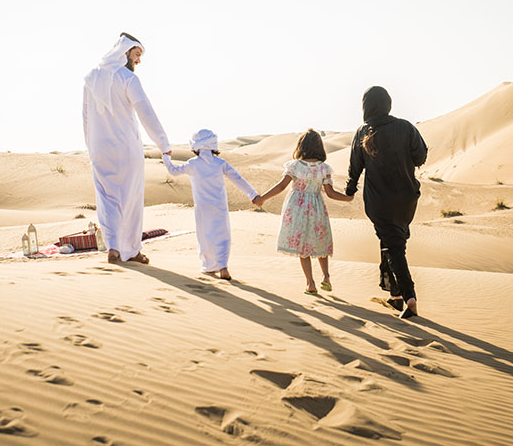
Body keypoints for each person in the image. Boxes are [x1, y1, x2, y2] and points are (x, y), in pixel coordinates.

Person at [83, 32, 171, 264]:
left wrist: (90, 146)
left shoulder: (91, 77)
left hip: (99, 148)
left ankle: (113, 247)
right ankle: (131, 251)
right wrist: (163, 144)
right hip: (126, 148)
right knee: (131, 198)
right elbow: (145, 111)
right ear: (125, 53)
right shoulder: (127, 78)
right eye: (137, 54)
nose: (138, 61)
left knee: (107, 198)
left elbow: (85, 117)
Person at [345, 86, 428, 318]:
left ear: (366, 106)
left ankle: (409, 297)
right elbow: (421, 156)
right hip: (406, 199)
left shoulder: (364, 131)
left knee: (394, 246)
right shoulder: (406, 127)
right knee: (391, 241)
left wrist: (349, 190)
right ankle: (396, 297)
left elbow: (355, 167)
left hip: (380, 200)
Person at [255, 129, 352, 295]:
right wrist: (348, 198)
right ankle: (326, 277)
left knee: (302, 245)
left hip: (297, 208)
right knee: (320, 240)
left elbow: (281, 186)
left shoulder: (294, 166)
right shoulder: (324, 168)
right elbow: (330, 193)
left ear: (301, 146)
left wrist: (262, 197)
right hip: (317, 207)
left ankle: (310, 283)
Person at [162, 129, 262, 280]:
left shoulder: (193, 164)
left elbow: (173, 171)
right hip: (219, 206)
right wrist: (252, 194)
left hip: (202, 208)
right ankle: (223, 267)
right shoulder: (220, 163)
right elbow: (238, 179)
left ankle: (208, 266)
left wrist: (166, 157)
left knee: (205, 235)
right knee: (222, 234)